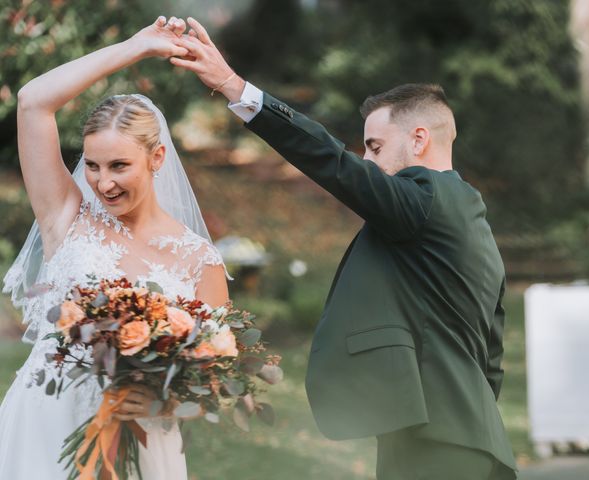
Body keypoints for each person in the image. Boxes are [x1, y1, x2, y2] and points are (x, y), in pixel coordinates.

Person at [170, 17, 518, 480]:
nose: (367, 161)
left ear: (419, 139)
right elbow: (490, 353)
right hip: (461, 436)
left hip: (437, 443)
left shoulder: (423, 198)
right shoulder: (472, 219)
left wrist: (235, 88)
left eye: (374, 146)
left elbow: (335, 164)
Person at [0, 17, 229, 479]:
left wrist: (167, 399)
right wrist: (136, 46)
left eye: (120, 165)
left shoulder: (200, 260)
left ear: (156, 157)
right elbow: (32, 102)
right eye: (93, 166)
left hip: (142, 436)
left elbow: (216, 377)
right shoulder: (66, 216)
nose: (103, 183)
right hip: (47, 419)